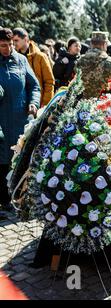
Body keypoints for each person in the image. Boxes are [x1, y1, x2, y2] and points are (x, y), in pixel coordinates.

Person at [0, 28, 40, 210]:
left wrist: (33, 102)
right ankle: (3, 199)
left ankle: (19, 196)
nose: (8, 48)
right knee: (1, 160)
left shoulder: (21, 60)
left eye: (10, 44)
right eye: (3, 45)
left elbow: (34, 86)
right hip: (1, 121)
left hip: (20, 120)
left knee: (20, 159)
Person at [75, 31, 111, 98]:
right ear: (105, 44)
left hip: (82, 105)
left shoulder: (79, 61)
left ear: (91, 44)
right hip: (104, 105)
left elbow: (74, 81)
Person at [12, 27, 54, 107]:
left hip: (37, 102)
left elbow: (49, 82)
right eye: (13, 41)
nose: (14, 43)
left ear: (25, 39)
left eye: (16, 40)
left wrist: (45, 104)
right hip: (20, 103)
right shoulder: (14, 57)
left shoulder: (40, 57)